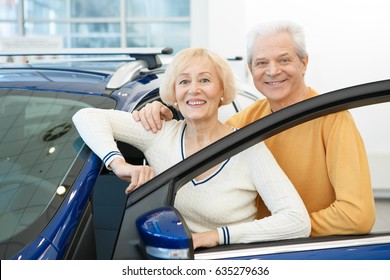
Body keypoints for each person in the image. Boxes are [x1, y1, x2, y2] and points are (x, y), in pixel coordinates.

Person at [132, 20, 376, 237]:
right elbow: (197, 148)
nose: (272, 71)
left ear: (304, 63)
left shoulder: (334, 120)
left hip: (306, 252)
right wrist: (158, 113)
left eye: (284, 60)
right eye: (261, 62)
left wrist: (282, 229)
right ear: (251, 69)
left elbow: (356, 215)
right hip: (247, 252)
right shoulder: (242, 122)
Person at [73, 47, 310, 249]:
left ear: (222, 91)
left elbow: (297, 221)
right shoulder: (159, 133)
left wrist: (215, 236)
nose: (193, 89)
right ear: (174, 94)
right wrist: (119, 164)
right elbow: (86, 116)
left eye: (205, 80)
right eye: (184, 81)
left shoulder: (248, 149)